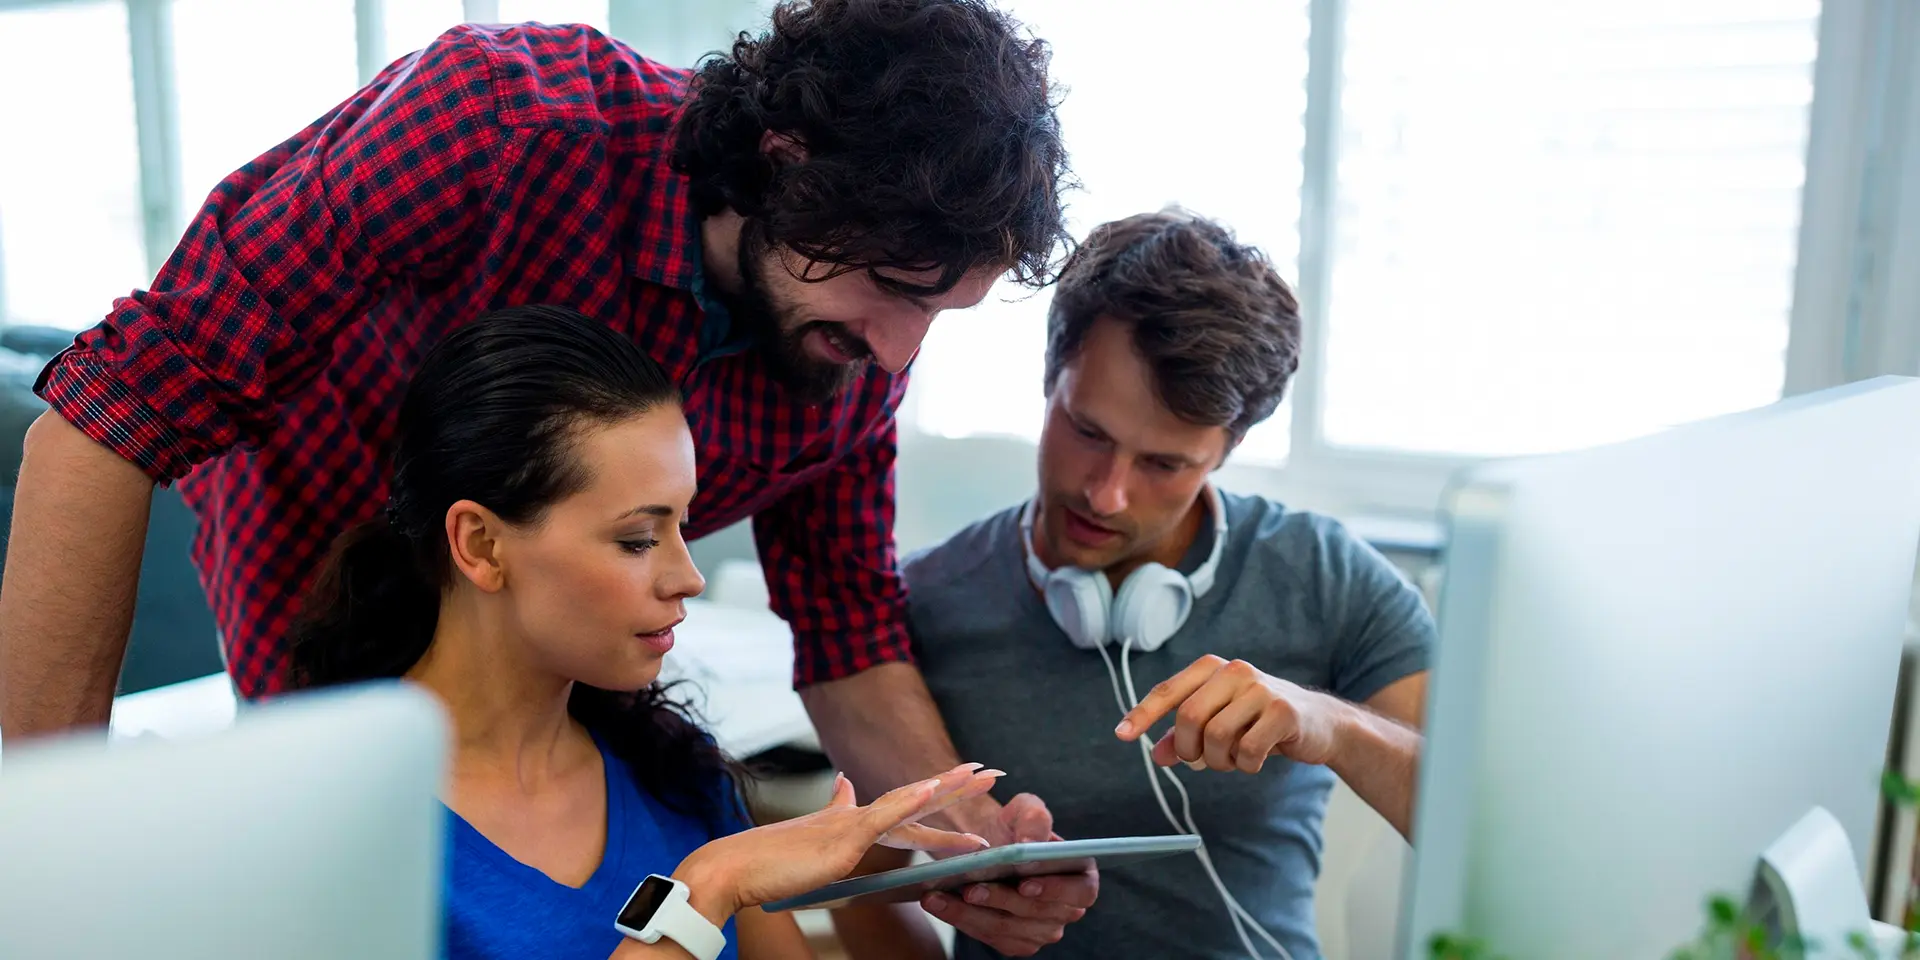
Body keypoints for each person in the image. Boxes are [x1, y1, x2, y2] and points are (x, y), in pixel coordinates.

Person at [0, 2, 1090, 952]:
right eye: (891, 284)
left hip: (572, 737)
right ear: (785, 158)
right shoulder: (506, 125)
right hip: (312, 599)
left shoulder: (851, 359)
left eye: (939, 315)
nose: (899, 355)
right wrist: (50, 863)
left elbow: (848, 630)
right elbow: (116, 412)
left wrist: (958, 844)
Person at [289, 304, 1006, 960]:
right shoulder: (332, 823)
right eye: (637, 540)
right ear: (480, 545)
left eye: (682, 526)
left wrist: (880, 870)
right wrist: (708, 887)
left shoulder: (675, 773)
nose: (688, 576)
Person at [867, 209, 1433, 959]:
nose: (1106, 494)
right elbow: (863, 878)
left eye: (1163, 464)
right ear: (1049, 379)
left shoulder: (1325, 575)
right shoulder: (929, 596)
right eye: (1087, 431)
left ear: (1226, 451)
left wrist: (1332, 728)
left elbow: (1478, 830)